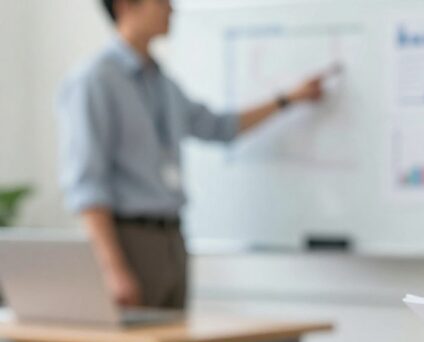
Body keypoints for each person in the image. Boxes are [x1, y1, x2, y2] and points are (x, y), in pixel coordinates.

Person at [58, 0, 328, 308]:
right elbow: (87, 186)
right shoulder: (94, 80)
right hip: (129, 240)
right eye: (161, 2)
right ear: (125, 6)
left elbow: (220, 127)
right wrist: (112, 269)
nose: (171, 10)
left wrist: (288, 100)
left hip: (172, 239)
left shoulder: (162, 83)